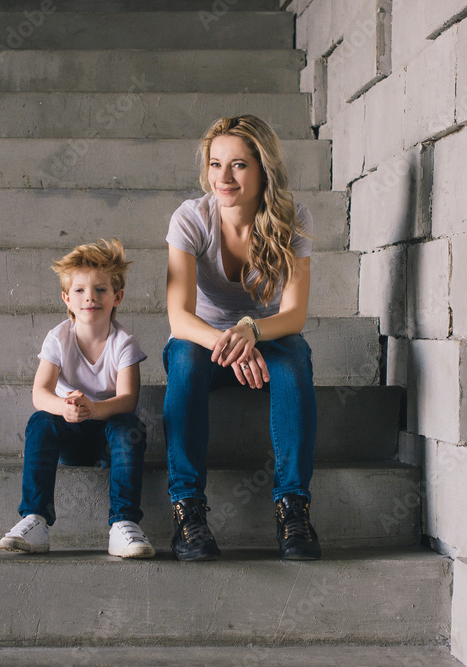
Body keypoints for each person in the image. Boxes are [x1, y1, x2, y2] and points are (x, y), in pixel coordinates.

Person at [163, 115, 321, 561]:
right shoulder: (192, 219)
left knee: (293, 361)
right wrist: (228, 344)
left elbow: (292, 315)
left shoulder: (292, 218)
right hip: (203, 340)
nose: (223, 178)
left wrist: (251, 330)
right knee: (184, 359)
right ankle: (187, 512)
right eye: (215, 164)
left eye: (238, 165)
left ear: (263, 168)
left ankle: (293, 509)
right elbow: (179, 318)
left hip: (266, 339)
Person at [0, 239, 154, 558]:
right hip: (68, 432)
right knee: (41, 421)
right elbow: (40, 393)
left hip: (107, 437)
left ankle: (123, 524)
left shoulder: (124, 343)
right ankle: (35, 519)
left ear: (117, 297)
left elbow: (127, 400)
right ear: (67, 298)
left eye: (101, 290)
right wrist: (67, 408)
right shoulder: (59, 337)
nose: (90, 298)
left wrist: (93, 409)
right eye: (80, 290)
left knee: (129, 426)